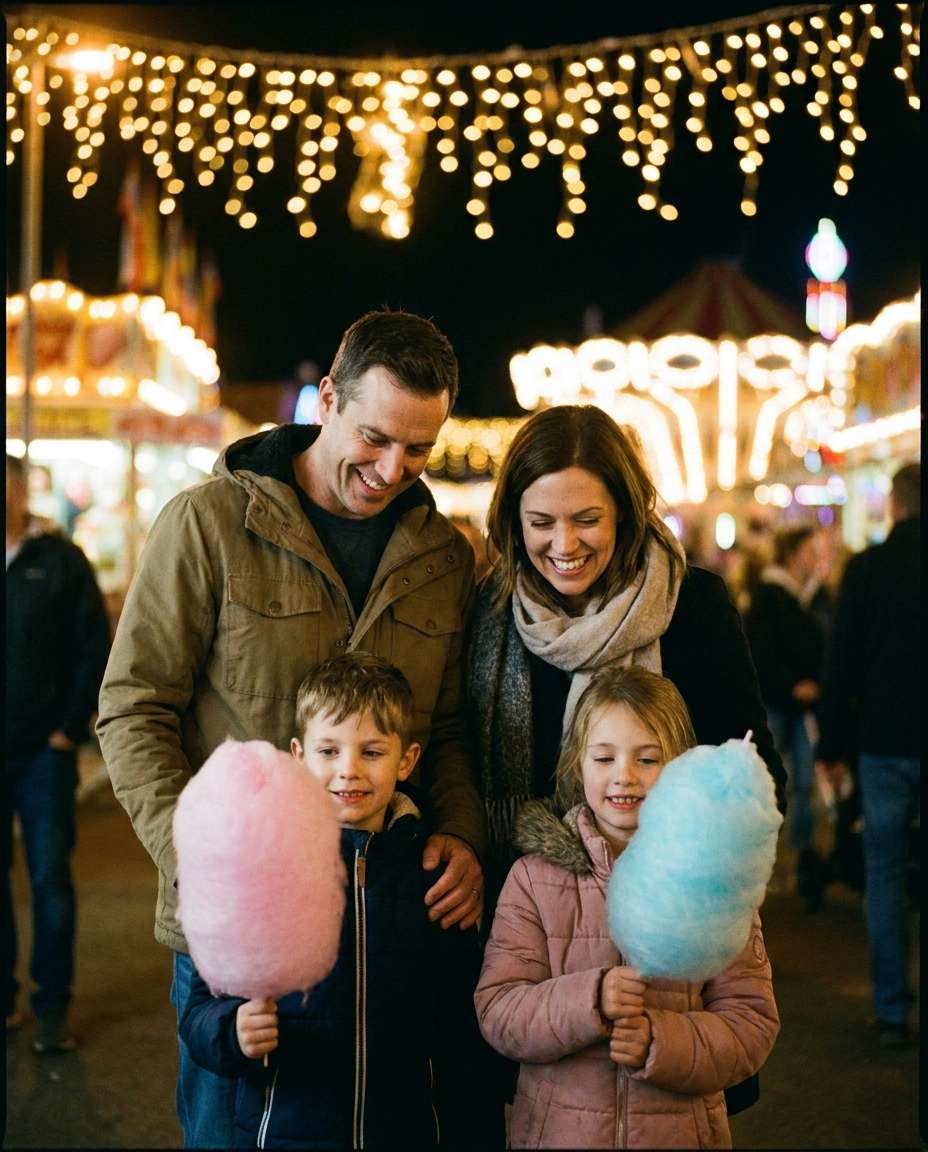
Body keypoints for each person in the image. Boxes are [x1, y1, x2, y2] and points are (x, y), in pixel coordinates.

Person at [96, 309, 488, 1146]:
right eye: (375, 438)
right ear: (326, 400)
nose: (392, 470)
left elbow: (448, 727)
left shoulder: (444, 557)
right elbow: (134, 708)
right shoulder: (208, 524)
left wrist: (460, 830)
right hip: (237, 942)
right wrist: (204, 863)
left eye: (418, 450)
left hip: (387, 929)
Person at [466, 404, 785, 1117]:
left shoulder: (692, 606)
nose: (563, 544)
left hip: (672, 963)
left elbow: (755, 772)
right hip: (536, 936)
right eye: (541, 521)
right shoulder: (492, 613)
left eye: (587, 519)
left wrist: (680, 869)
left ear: (626, 512)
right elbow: (465, 754)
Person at [179, 652, 494, 1148]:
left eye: (371, 752)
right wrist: (231, 1031)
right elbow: (199, 1009)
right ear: (298, 755)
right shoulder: (262, 869)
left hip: (407, 1133)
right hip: (284, 1133)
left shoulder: (433, 878)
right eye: (329, 751)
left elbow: (463, 1027)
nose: (349, 771)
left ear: (407, 760)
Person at [475, 663, 780, 1149]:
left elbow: (750, 1023)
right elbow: (498, 1011)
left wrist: (661, 1040)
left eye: (647, 759)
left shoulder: (715, 877)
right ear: (577, 765)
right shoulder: (533, 878)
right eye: (604, 758)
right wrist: (589, 999)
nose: (624, 777)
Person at [4, 453, 111, 1052]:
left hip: (46, 754)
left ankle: (52, 1008)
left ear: (21, 491)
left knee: (49, 879)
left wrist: (69, 729)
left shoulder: (61, 561)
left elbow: (94, 646)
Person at [817, 461, 920, 1050]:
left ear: (895, 505)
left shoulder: (869, 569)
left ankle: (890, 1010)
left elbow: (841, 664)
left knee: (884, 873)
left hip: (882, 742)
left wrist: (833, 744)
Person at [743, 525, 826, 910]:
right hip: (776, 705)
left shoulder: (813, 595)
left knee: (804, 783)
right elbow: (760, 652)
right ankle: (765, 864)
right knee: (770, 784)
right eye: (811, 549)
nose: (817, 557)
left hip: (804, 707)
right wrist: (792, 685)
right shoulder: (770, 595)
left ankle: (800, 858)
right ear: (793, 553)